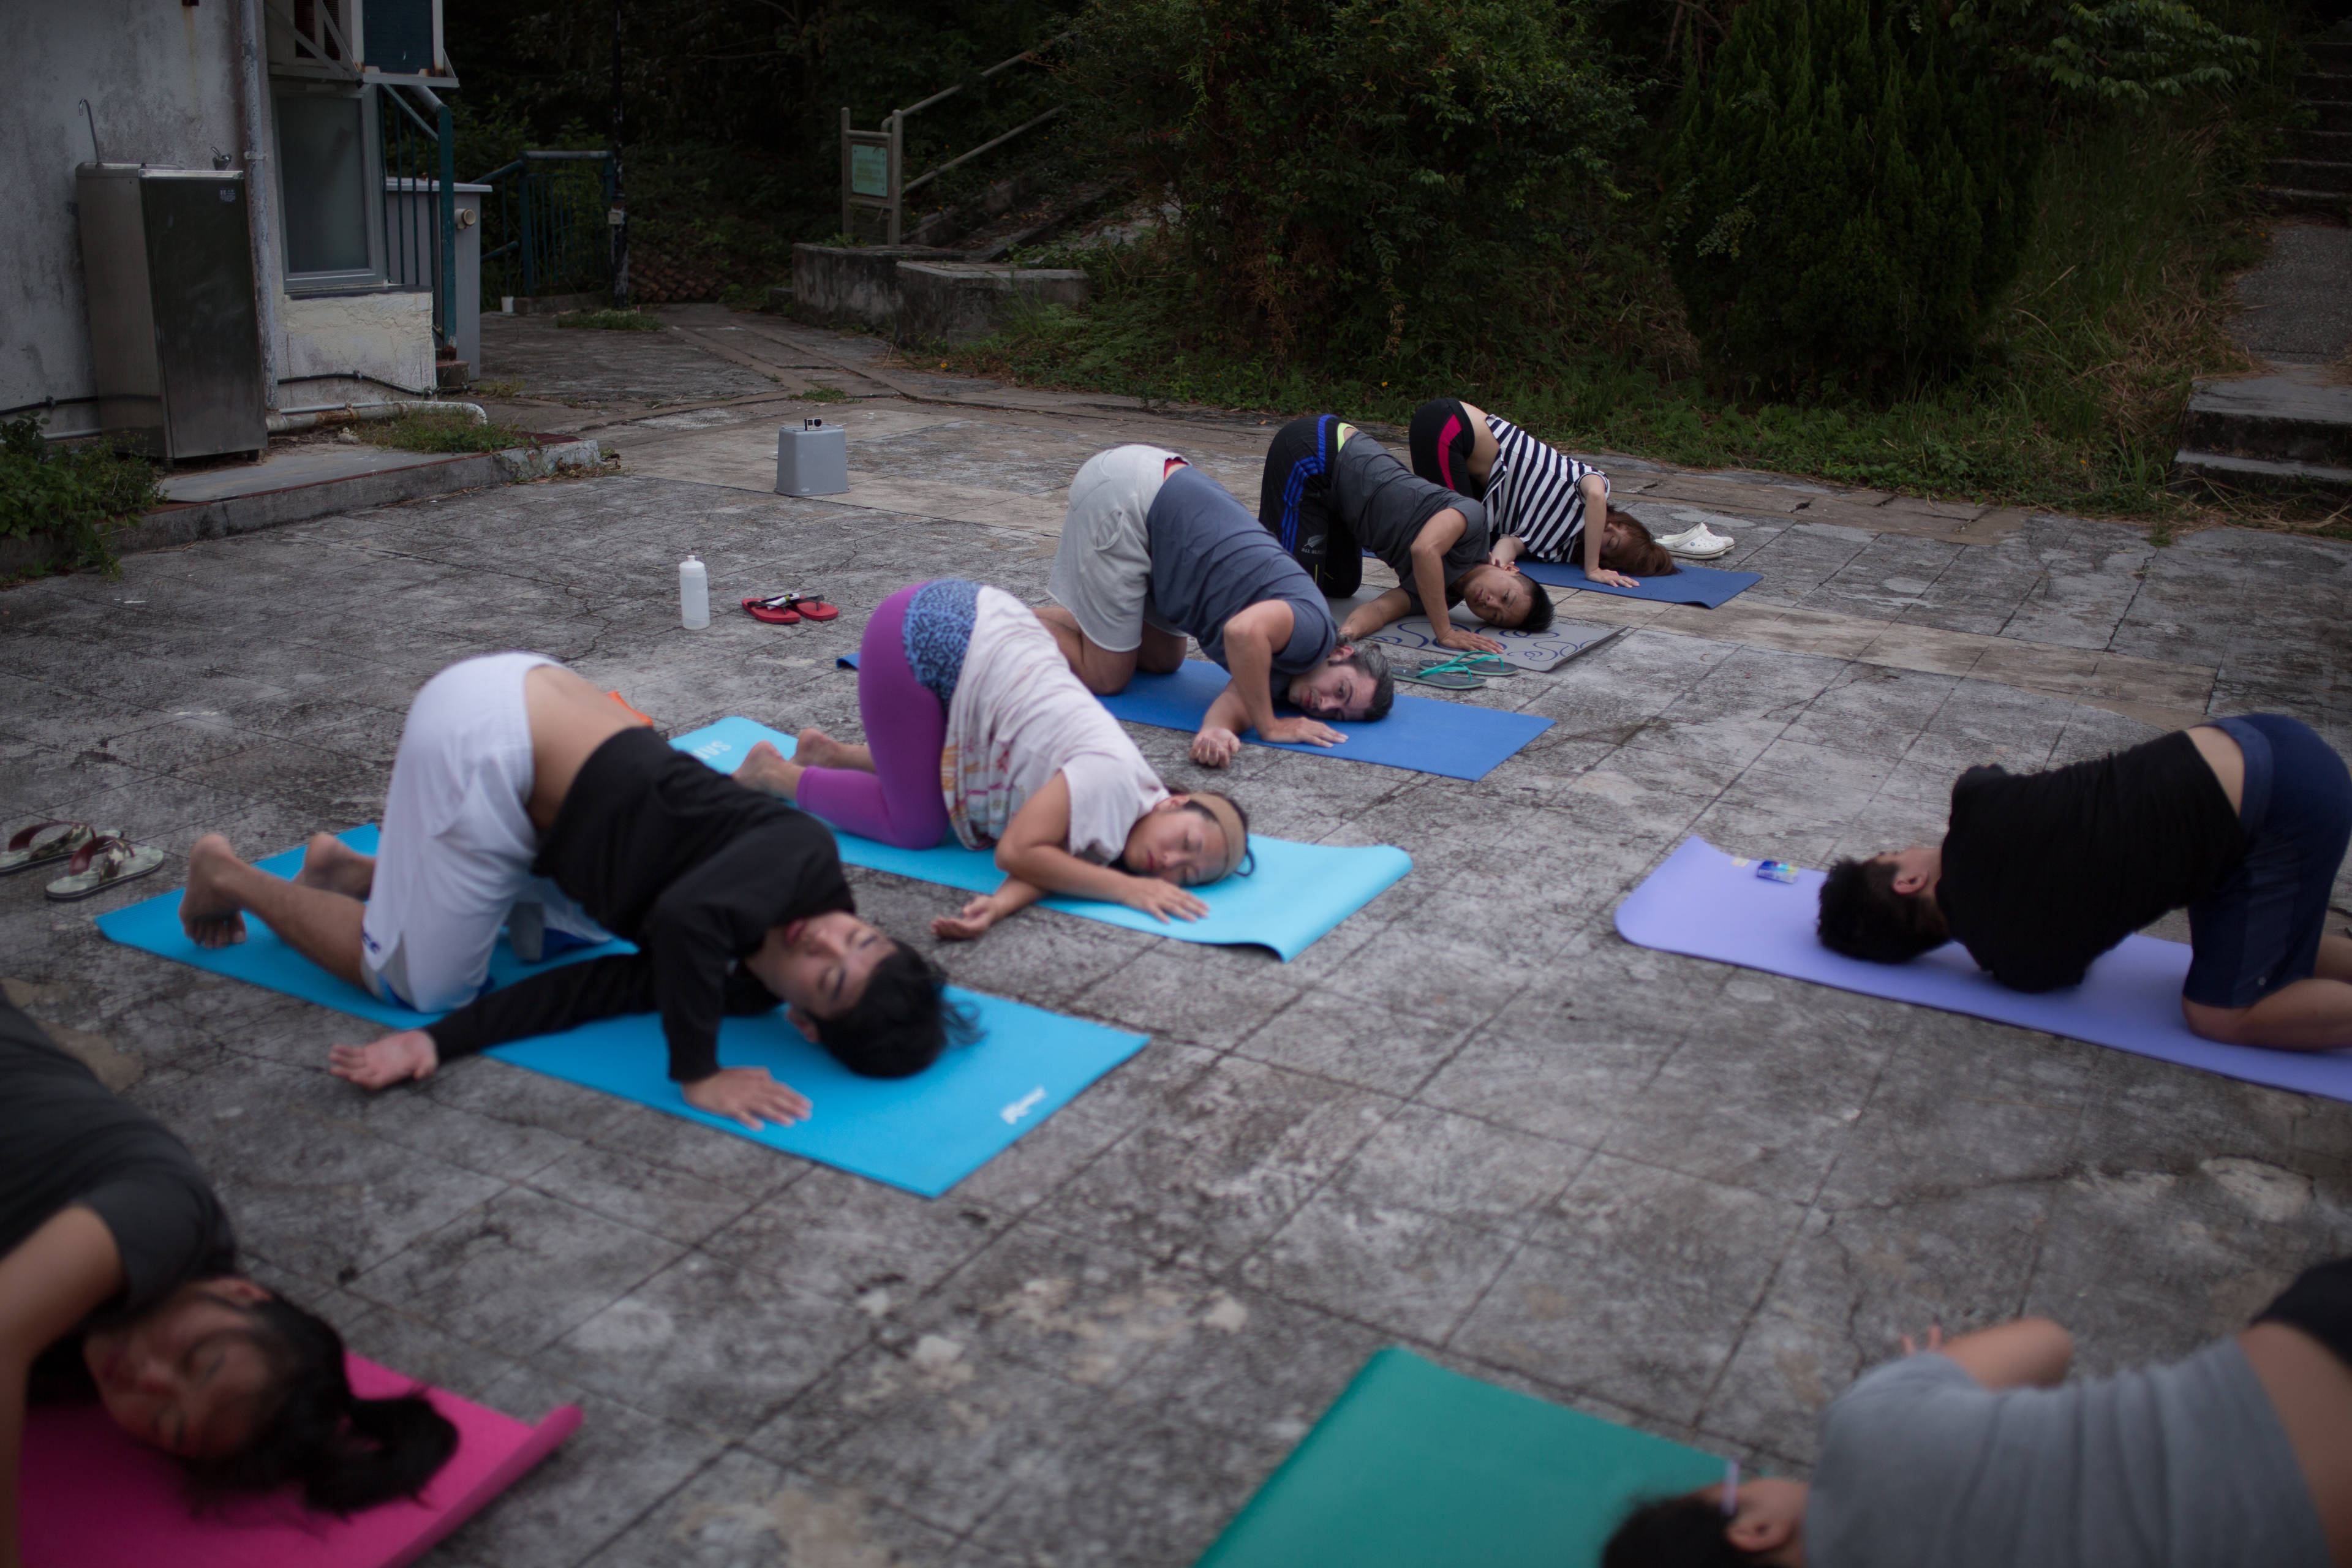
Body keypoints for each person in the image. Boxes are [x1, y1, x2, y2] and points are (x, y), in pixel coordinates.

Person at [176, 654, 957, 1131]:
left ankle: (349, 872)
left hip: (541, 724)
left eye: (829, 975)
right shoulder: (803, 855)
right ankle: (229, 874)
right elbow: (687, 921)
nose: (822, 938)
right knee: (418, 983)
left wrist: (438, 1046)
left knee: (552, 941)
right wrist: (698, 1072)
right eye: (858, 937)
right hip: (486, 737)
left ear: (805, 1023)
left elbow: (600, 988)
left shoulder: (740, 982)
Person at [1, 995, 456, 1559]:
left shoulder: (69, 1364)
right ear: (240, 1292)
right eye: (197, 1357)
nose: (147, 1378)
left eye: (168, 1423)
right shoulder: (167, 1215)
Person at [1602, 1262, 2352, 1567]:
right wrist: (1921, 1377)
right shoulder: (1868, 1429)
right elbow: (2050, 1342)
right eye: (1740, 1480)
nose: (1761, 1470)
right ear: (1754, 1528)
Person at [733, 578, 1254, 942]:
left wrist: (997, 907)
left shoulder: (1129, 811)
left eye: (1186, 875)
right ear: (1174, 804)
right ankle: (774, 773)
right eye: (1185, 843)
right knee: (915, 826)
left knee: (965, 778)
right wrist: (1129, 891)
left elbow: (1058, 857)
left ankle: (832, 756)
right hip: (922, 635)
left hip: (974, 620)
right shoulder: (1111, 779)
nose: (1170, 864)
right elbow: (1019, 852)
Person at [1817, 715, 2352, 1050]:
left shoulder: (2020, 964)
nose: (1906, 844)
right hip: (2278, 781)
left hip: (2268, 800)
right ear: (1909, 879)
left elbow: (2061, 967)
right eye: (1893, 852)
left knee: (2227, 987)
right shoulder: (1976, 803)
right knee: (2220, 1014)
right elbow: (1984, 771)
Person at [1036, 443, 1396, 768]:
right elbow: (1243, 632)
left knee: (1163, 660)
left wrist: (1216, 733)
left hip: (1153, 489)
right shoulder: (1313, 636)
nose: (1327, 706)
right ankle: (998, 616)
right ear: (1341, 653)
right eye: (1341, 691)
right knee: (1107, 677)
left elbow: (1236, 702)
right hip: (1127, 495)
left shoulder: (1287, 672)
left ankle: (1089, 625)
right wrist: (1270, 726)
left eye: (1338, 715)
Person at [1256, 413, 1555, 655]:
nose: (1491, 604)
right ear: (1508, 569)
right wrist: (1445, 632)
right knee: (1293, 602)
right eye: (1505, 596)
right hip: (1316, 450)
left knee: (1342, 585)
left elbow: (1380, 610)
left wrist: (1344, 638)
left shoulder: (1438, 597)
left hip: (1335, 502)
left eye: (1495, 617)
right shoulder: (1474, 520)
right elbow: (1424, 550)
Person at [1408, 397, 1678, 589]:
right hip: (1448, 426)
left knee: (1475, 546)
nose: (1608, 528)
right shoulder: (1591, 492)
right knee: (1459, 542)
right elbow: (1596, 497)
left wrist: (1496, 566)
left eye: (1612, 541)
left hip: (1456, 451)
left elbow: (1511, 543)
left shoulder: (1556, 546)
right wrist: (1592, 569)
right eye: (1617, 525)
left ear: (1609, 558)